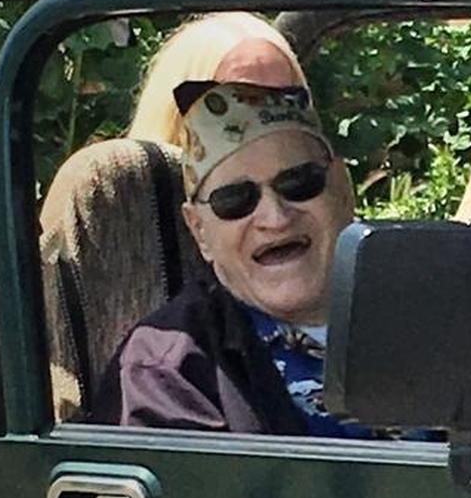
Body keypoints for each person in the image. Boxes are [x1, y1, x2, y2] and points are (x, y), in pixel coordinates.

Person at [91, 79, 379, 437]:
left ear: (342, 189)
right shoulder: (167, 374)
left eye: (298, 182)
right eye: (234, 200)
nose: (275, 217)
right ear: (199, 231)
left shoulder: (430, 305)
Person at [125, 11, 306, 147]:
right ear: (179, 117)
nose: (266, 120)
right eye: (239, 101)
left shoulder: (316, 191)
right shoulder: (142, 195)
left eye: (288, 102)